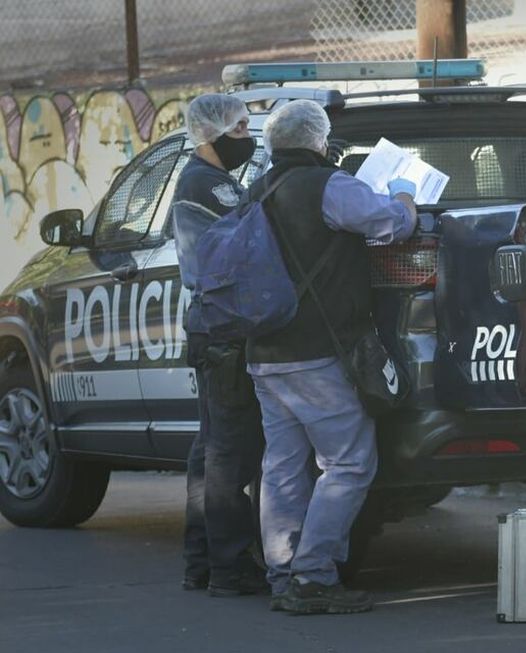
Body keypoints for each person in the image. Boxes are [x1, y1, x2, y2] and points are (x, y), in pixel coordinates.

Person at [245, 100, 417, 615]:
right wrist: (406, 199)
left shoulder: (257, 191)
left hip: (264, 353)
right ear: (319, 141)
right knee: (349, 461)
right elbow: (390, 223)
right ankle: (315, 577)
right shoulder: (328, 186)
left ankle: (284, 573)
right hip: (316, 352)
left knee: (282, 467)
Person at [172, 93, 267, 598]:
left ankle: (203, 563)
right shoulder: (206, 185)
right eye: (239, 128)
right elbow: (249, 236)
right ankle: (229, 567)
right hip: (224, 328)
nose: (246, 138)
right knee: (229, 452)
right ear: (210, 134)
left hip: (213, 327)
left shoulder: (212, 181)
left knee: (210, 451)